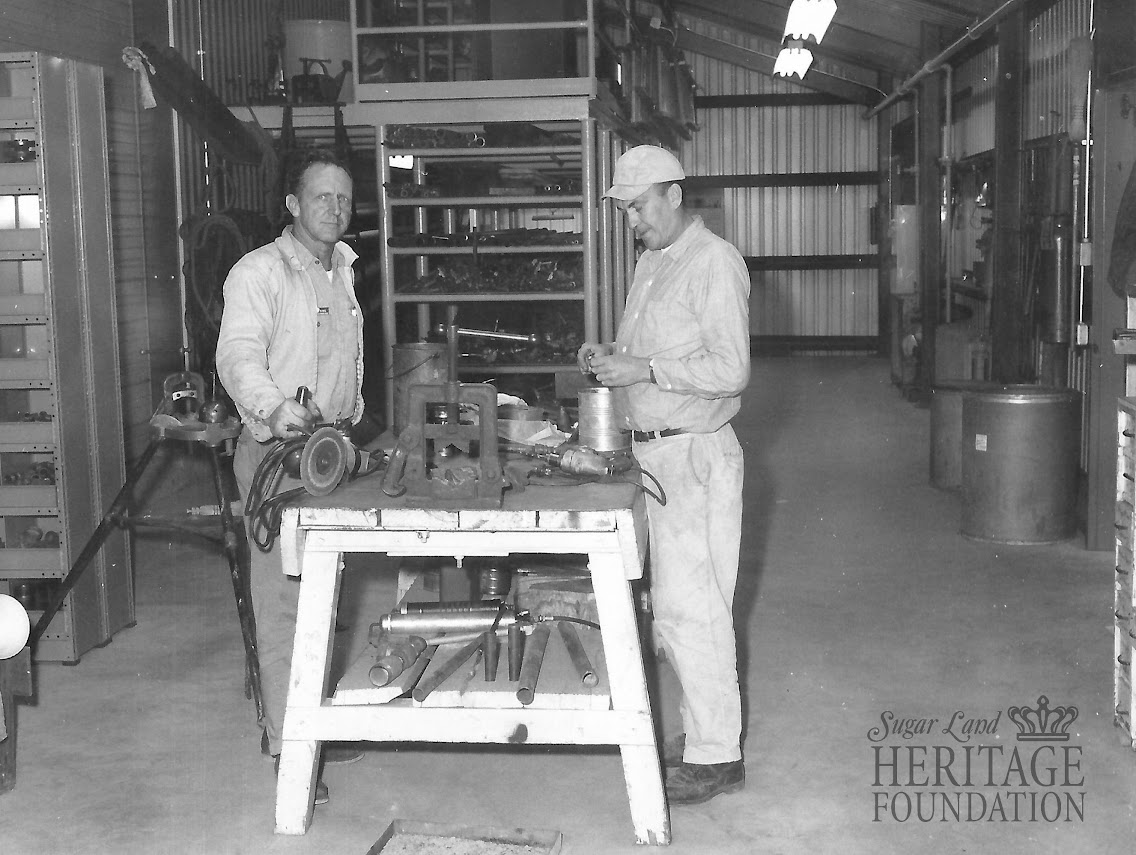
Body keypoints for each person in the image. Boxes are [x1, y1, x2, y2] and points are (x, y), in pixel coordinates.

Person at [577, 144, 751, 806]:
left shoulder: (714, 263)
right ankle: (705, 732)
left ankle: (717, 755)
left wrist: (644, 369)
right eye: (625, 210)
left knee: (694, 607)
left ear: (675, 196)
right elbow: (651, 351)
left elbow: (731, 370)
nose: (633, 221)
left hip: (694, 456)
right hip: (654, 454)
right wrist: (612, 355)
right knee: (675, 607)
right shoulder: (653, 262)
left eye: (640, 206)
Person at [216, 147, 366, 805]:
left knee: (325, 598)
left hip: (331, 455)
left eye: (343, 197)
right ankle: (288, 748)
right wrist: (274, 409)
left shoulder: (343, 268)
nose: (334, 208)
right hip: (278, 460)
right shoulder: (260, 272)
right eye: (321, 196)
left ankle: (313, 723)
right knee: (283, 604)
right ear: (291, 204)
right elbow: (237, 356)